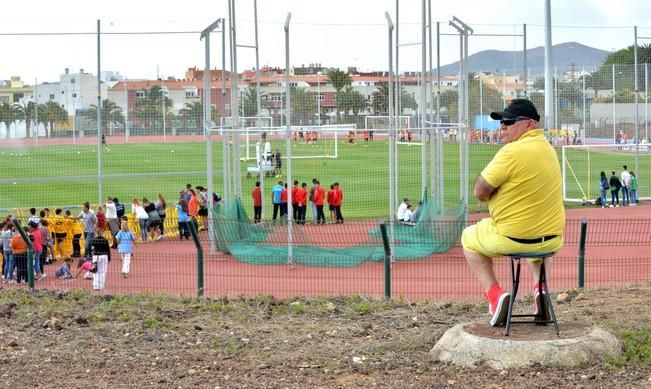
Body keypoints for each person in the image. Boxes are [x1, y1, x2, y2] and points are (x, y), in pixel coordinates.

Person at [461, 99, 564, 327]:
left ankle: (496, 295)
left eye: (508, 121)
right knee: (535, 237)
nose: (502, 127)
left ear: (529, 124)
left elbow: (480, 190)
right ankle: (540, 289)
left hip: (513, 238)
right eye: (501, 122)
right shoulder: (549, 149)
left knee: (469, 237)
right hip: (550, 241)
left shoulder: (512, 151)